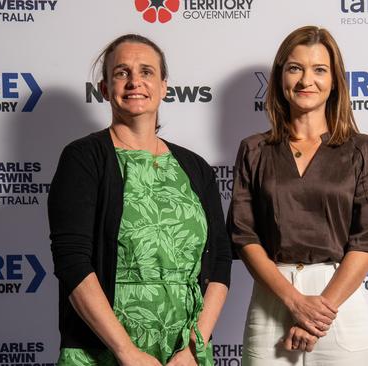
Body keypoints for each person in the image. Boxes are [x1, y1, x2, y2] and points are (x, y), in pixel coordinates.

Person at [48, 34, 231, 366]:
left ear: (164, 86)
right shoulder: (83, 158)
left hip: (184, 357)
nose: (135, 82)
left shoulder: (196, 168)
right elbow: (72, 262)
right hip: (103, 354)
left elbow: (220, 263)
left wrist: (194, 347)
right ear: (105, 89)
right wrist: (126, 352)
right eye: (122, 73)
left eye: (147, 72)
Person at [227, 26, 368, 365]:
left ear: (334, 82)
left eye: (319, 70)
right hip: (272, 304)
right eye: (295, 68)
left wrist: (317, 315)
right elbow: (244, 234)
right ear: (280, 77)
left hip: (340, 308)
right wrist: (294, 302)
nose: (307, 80)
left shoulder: (362, 149)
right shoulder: (254, 150)